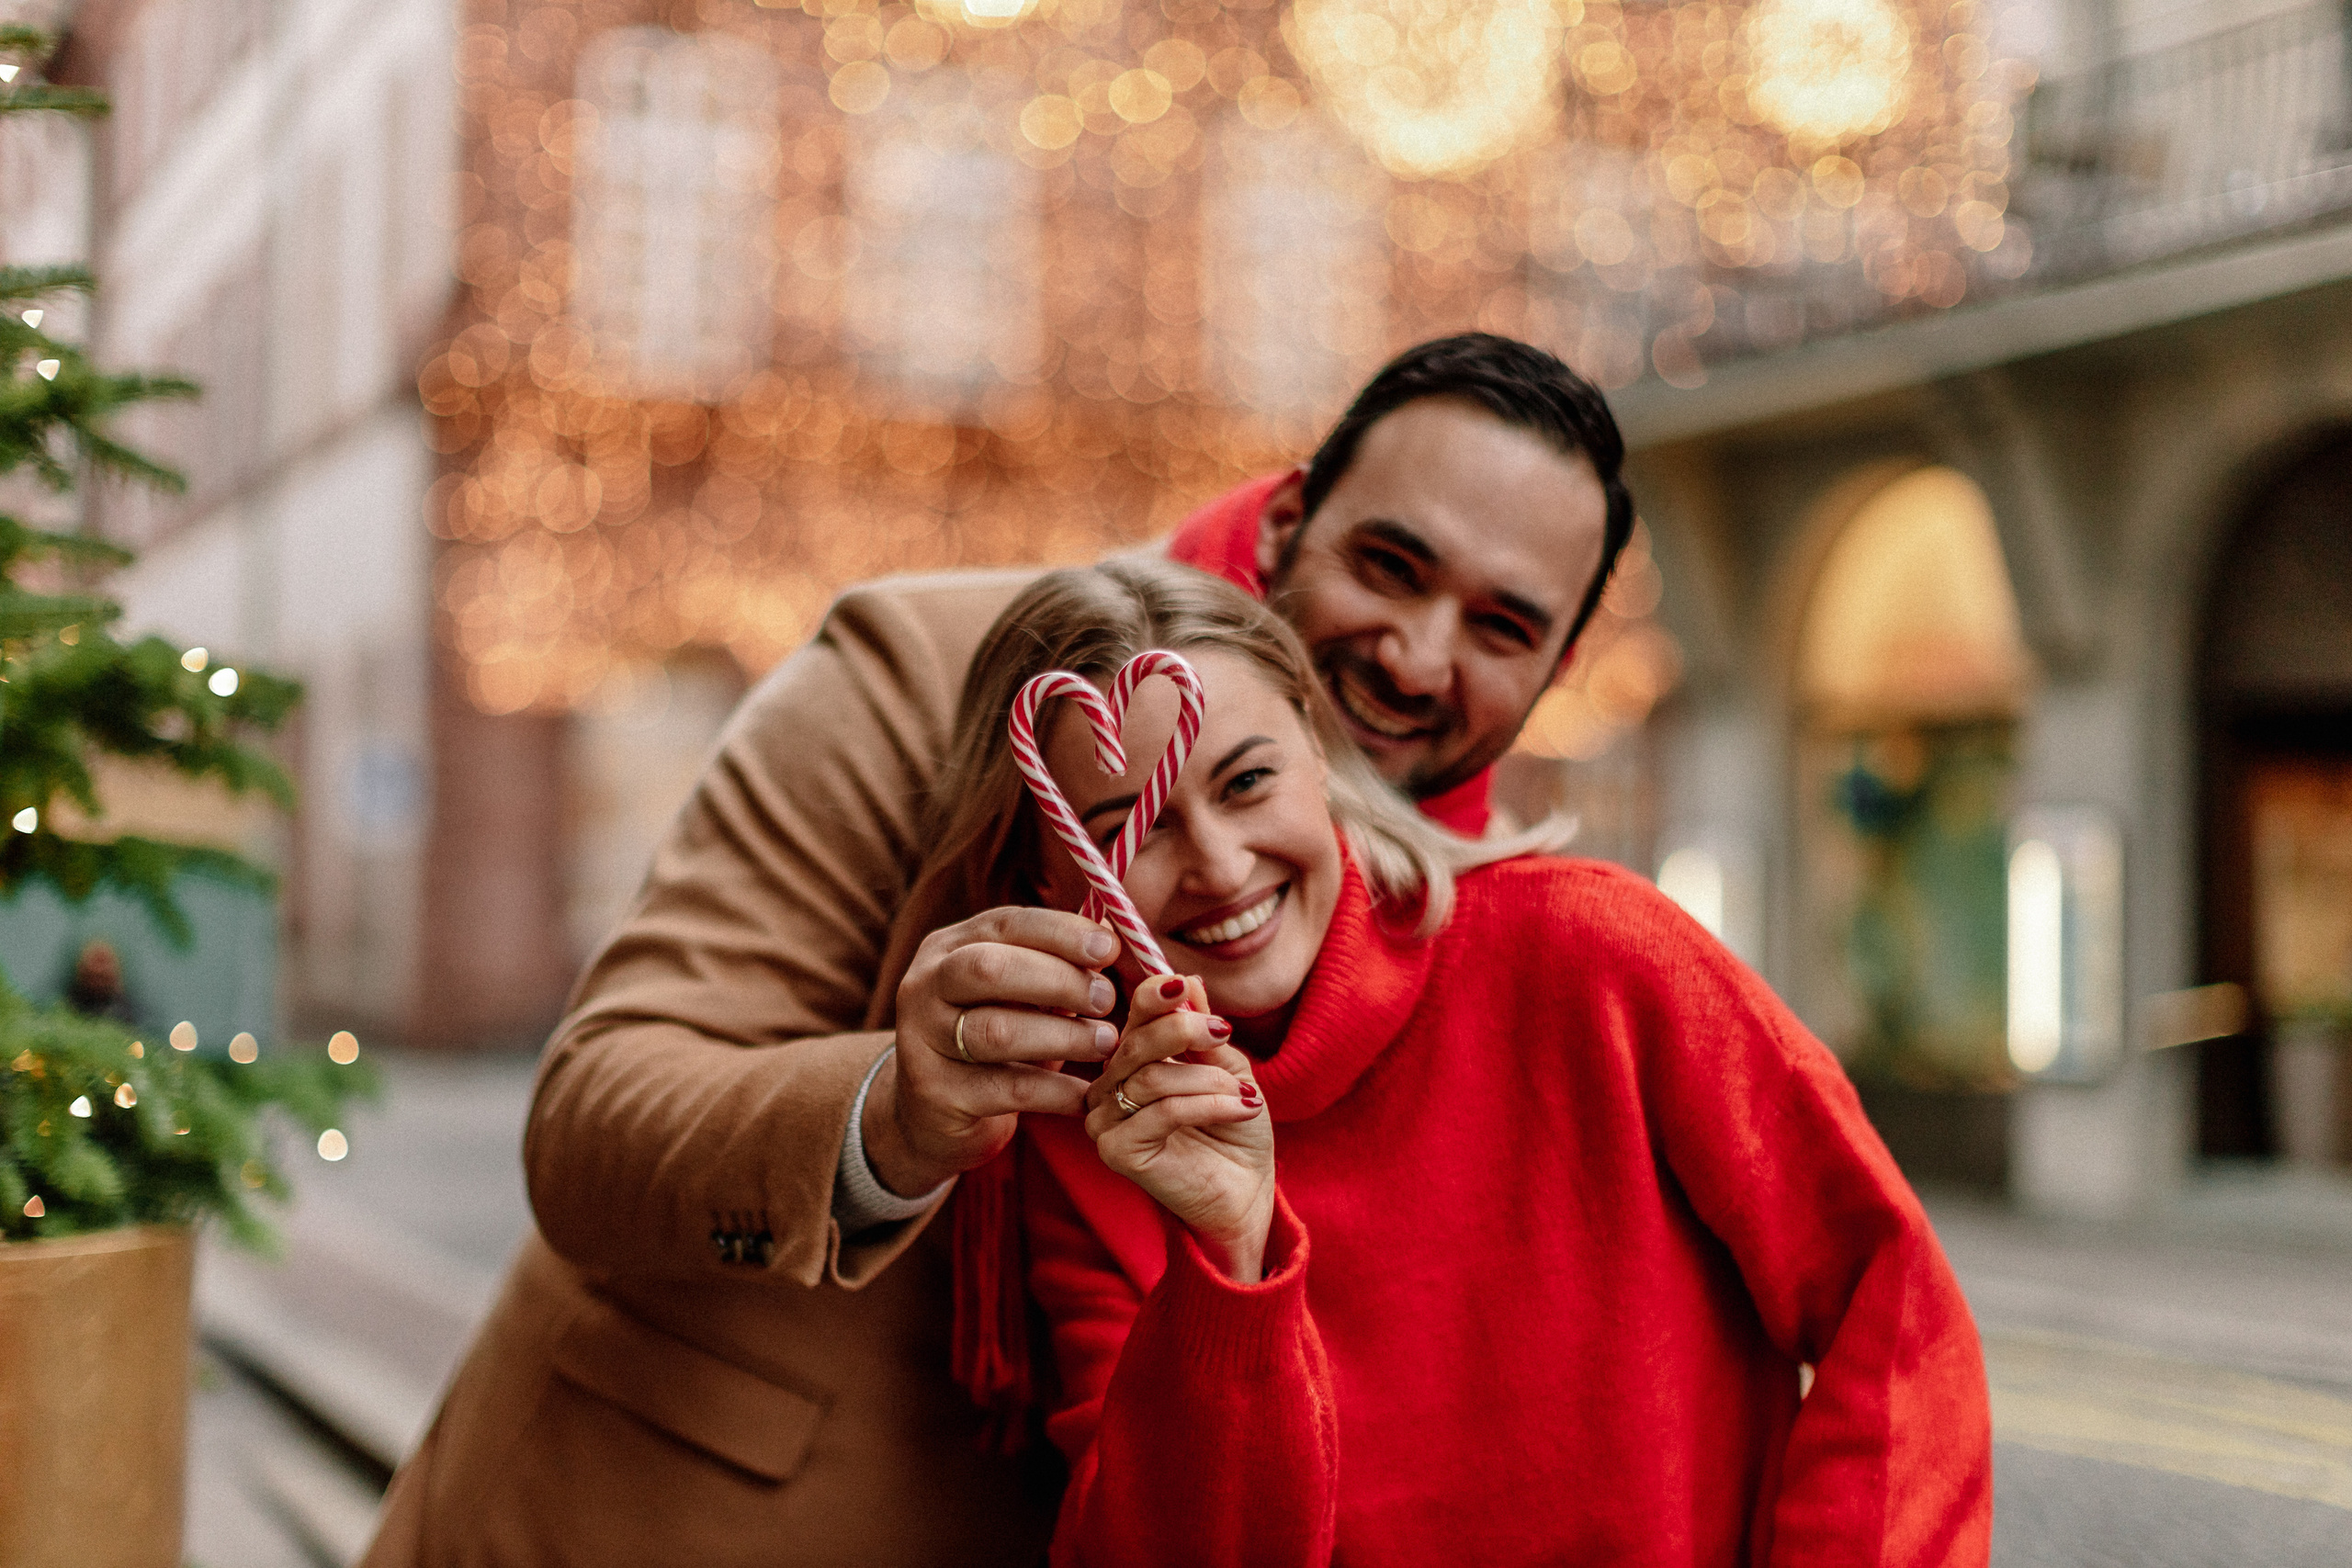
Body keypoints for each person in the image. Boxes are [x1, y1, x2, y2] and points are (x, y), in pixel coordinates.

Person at [361, 335, 1639, 1566]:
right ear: (1291, 519)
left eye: (1502, 626)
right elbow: (592, 1122)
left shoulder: (1498, 914)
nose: (1417, 654)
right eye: (1390, 561)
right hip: (664, 1517)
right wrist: (891, 1117)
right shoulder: (929, 677)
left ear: (1558, 664)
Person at [936, 560, 1993, 1565]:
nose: (1217, 864)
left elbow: (1887, 1300)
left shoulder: (1593, 954)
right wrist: (1227, 1259)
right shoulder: (1090, 1141)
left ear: (1320, 753)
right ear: (1049, 876)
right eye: (1128, 829)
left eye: (1248, 781)